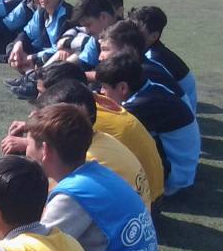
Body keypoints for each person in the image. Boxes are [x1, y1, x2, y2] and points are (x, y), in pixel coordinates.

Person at [26, 104, 157, 251]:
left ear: (45, 151)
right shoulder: (98, 174)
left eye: (28, 143)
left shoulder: (73, 196)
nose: (26, 150)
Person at [13, 81, 151, 209]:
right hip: (139, 219)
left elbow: (40, 213)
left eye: (47, 117)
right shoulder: (101, 139)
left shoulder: (85, 159)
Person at [95, 52, 199, 196]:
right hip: (180, 168)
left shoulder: (142, 106)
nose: (101, 92)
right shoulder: (150, 89)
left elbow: (102, 122)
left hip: (173, 179)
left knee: (105, 145)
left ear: (122, 88)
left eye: (104, 88)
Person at [5, 0, 74, 99]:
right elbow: (27, 32)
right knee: (12, 48)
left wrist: (31, 57)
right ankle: (30, 75)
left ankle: (33, 82)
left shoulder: (67, 16)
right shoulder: (41, 11)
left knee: (51, 58)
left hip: (60, 56)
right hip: (43, 53)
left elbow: (60, 49)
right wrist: (18, 45)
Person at [130, 6, 197, 111]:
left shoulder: (153, 59)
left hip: (182, 110)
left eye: (137, 30)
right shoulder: (153, 51)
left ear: (154, 36)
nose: (130, 34)